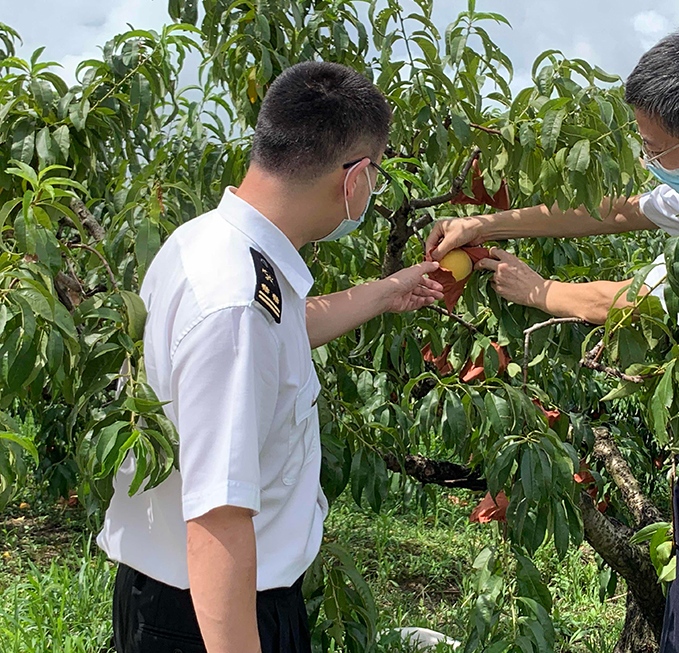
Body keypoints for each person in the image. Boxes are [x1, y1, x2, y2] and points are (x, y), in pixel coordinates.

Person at [426, 28, 679, 652]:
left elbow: (638, 302)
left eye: (654, 147)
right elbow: (614, 211)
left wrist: (540, 291)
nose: (648, 158)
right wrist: (487, 220)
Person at [98, 61, 444, 653]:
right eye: (378, 175)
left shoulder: (209, 244)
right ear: (355, 178)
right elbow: (218, 518)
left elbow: (276, 335)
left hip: (176, 599)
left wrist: (385, 293)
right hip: (213, 615)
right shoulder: (236, 303)